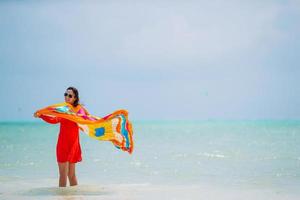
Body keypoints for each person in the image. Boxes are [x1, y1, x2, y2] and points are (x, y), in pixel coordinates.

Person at [34, 87, 88, 187]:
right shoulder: (64, 109)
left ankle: (72, 197)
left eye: (70, 95)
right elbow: (54, 120)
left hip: (72, 145)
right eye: (65, 94)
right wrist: (42, 115)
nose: (67, 97)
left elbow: (87, 120)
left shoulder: (78, 110)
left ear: (75, 98)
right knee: (65, 175)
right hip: (64, 144)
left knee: (70, 175)